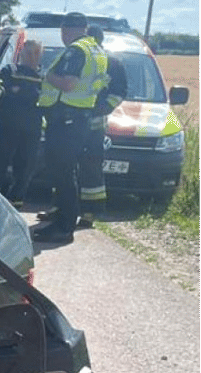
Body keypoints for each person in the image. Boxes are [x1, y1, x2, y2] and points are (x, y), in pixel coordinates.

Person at [33, 11, 108, 245]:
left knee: (62, 173)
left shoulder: (77, 50)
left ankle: (64, 227)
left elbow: (68, 83)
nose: (63, 35)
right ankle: (64, 219)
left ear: (69, 29)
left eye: (64, 30)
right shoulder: (96, 49)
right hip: (79, 119)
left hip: (66, 119)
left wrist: (46, 74)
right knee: (68, 173)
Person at [76, 25, 128, 228]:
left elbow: (120, 90)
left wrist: (104, 108)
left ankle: (90, 213)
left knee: (91, 169)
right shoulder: (77, 58)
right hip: (72, 122)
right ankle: (61, 208)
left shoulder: (112, 63)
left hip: (95, 126)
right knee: (66, 166)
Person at [0, 39, 44, 207]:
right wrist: (26, 93)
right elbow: (2, 93)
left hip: (30, 131)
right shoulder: (9, 71)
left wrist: (20, 91)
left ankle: (16, 201)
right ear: (21, 54)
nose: (32, 57)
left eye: (36, 53)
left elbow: (43, 99)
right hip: (5, 127)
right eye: (29, 53)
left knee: (25, 168)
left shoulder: (43, 77)